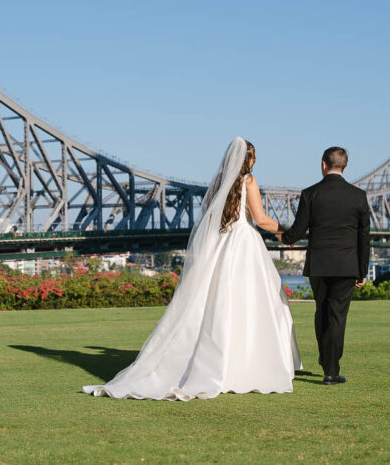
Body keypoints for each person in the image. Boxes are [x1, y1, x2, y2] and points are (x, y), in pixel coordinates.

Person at [82, 138, 302, 400]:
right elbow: (262, 219)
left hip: (222, 242)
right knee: (252, 303)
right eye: (254, 158)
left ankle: (215, 363)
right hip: (244, 243)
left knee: (216, 304)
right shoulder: (249, 181)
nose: (255, 163)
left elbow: (210, 215)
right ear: (248, 160)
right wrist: (286, 232)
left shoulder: (219, 182)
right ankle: (246, 365)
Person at [277, 147, 371, 386]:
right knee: (337, 317)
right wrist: (362, 270)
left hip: (318, 265)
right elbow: (364, 238)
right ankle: (331, 370)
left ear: (323, 165)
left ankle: (326, 357)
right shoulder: (358, 196)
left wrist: (283, 237)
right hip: (347, 266)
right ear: (345, 166)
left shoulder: (310, 194)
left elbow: (298, 230)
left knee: (322, 312)